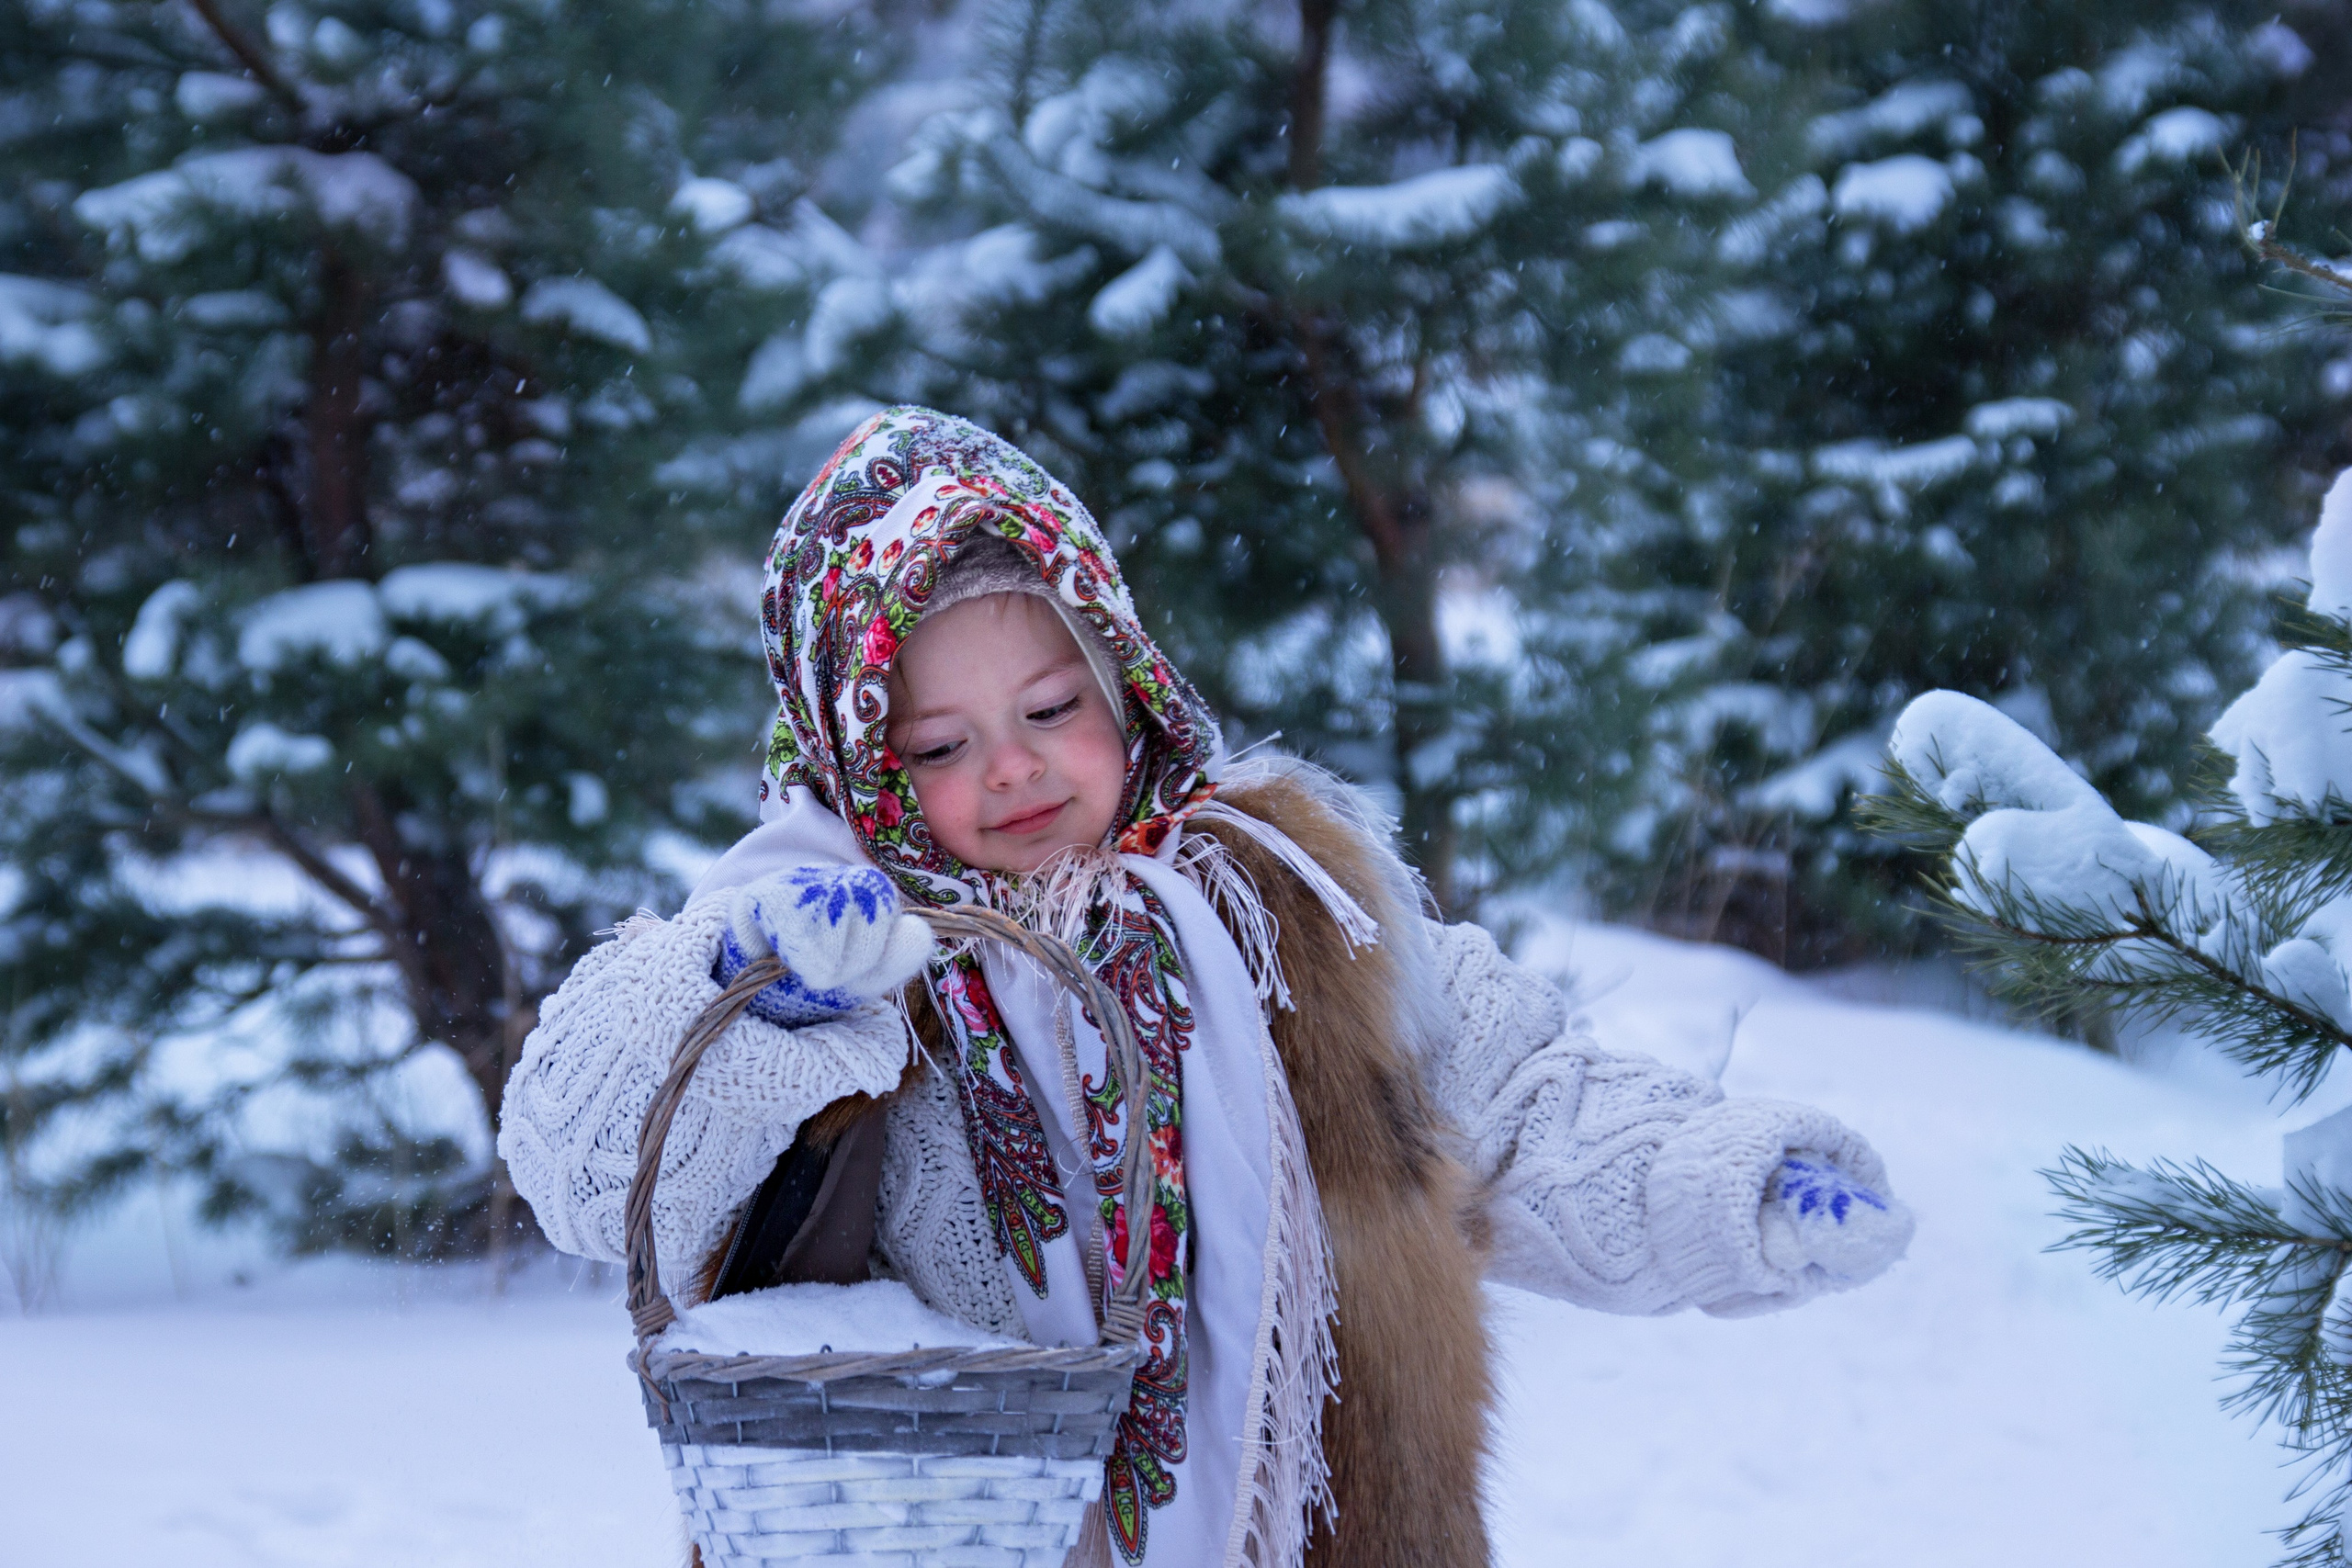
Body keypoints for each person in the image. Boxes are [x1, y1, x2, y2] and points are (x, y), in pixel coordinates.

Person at [498, 405, 1913, 1568]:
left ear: (1125, 680)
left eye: (1053, 709)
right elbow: (580, 1161)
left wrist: (1738, 1189)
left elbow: (1527, 1099)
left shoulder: (1285, 911)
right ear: (857, 759)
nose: (1014, 768)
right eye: (937, 743)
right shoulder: (829, 933)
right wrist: (765, 985)